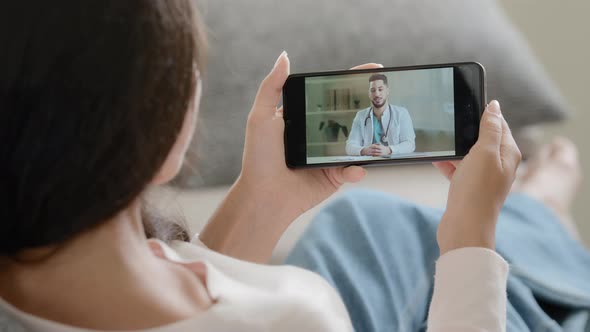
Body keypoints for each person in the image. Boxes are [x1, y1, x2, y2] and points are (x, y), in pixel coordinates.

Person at [1, 1, 588, 331]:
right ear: (152, 130)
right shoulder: (295, 319)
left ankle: (533, 217)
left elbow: (192, 281)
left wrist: (263, 196)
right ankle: (538, 215)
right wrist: (469, 237)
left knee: (361, 219)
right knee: (460, 263)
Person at [346, 73, 416, 156]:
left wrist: (389, 150)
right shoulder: (361, 116)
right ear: (369, 94)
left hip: (394, 165)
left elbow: (410, 144)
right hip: (369, 164)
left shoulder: (401, 113)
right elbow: (349, 146)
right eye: (373, 90)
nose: (376, 94)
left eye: (380, 89)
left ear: (387, 91)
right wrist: (364, 150)